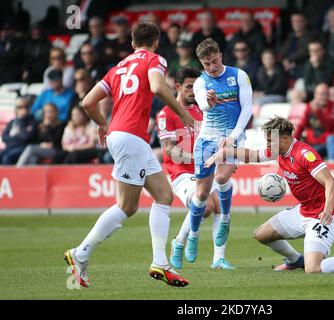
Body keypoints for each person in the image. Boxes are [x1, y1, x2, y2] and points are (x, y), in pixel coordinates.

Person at [64, 22, 195, 288]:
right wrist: (183, 113)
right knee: (125, 206)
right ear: (156, 42)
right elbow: (158, 88)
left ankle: (160, 261)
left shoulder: (118, 68)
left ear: (132, 43)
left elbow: (87, 102)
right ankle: (81, 253)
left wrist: (102, 123)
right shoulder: (155, 60)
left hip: (125, 136)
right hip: (131, 137)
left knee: (163, 195)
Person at [204, 116, 334, 274]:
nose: (268, 144)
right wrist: (224, 153)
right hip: (303, 212)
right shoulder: (279, 151)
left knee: (314, 269)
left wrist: (327, 211)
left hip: (322, 216)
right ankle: (295, 260)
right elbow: (253, 155)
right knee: (261, 235)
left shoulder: (304, 154)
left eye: (271, 140)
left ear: (286, 139)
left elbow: (331, 182)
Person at [156, 67, 234, 270]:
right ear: (178, 87)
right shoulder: (167, 114)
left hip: (206, 168)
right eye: (190, 87)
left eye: (197, 87)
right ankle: (179, 242)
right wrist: (197, 157)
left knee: (218, 203)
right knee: (206, 206)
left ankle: (218, 259)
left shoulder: (204, 110)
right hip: (181, 174)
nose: (194, 91)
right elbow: (169, 150)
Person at [186, 38, 253, 262]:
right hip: (207, 138)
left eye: (215, 61)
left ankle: (225, 218)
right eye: (207, 64)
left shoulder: (239, 75)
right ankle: (193, 236)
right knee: (202, 193)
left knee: (222, 176)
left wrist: (233, 137)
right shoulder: (200, 83)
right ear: (201, 64)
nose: (212, 67)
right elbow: (202, 106)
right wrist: (210, 103)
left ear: (221, 56)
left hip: (233, 135)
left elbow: (247, 109)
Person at [293, 83, 334, 158]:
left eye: (325, 94)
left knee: (309, 154)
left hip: (326, 144)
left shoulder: (333, 106)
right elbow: (302, 126)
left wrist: (317, 112)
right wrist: (293, 142)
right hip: (310, 143)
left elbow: (329, 126)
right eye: (321, 94)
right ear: (315, 95)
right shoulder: (310, 107)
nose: (323, 97)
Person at [0, 97, 37, 165]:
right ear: (16, 109)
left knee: (7, 157)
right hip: (10, 148)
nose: (23, 109)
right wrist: (17, 137)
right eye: (20, 107)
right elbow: (4, 137)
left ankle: (9, 175)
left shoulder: (32, 121)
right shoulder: (12, 122)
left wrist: (21, 120)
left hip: (23, 148)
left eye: (25, 106)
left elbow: (26, 137)